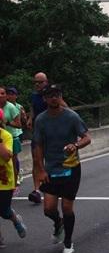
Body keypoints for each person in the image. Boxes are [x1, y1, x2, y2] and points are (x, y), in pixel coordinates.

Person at [33, 84, 91, 253]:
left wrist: (76, 145)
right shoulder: (41, 120)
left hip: (71, 168)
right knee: (48, 209)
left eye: (57, 94)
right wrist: (41, 170)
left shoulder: (72, 116)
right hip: (51, 169)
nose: (54, 98)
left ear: (61, 96)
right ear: (45, 99)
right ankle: (58, 222)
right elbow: (38, 146)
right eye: (50, 95)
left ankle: (68, 241)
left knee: (67, 207)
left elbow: (87, 137)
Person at [27, 72, 67, 204]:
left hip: (52, 134)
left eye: (40, 82)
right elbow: (33, 107)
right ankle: (37, 190)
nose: (37, 85)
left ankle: (57, 185)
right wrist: (30, 118)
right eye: (35, 82)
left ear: (46, 82)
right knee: (36, 160)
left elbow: (65, 108)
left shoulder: (52, 95)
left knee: (53, 159)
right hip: (38, 132)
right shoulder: (34, 96)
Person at [0, 108, 27, 248]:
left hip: (4, 178)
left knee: (4, 211)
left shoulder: (6, 136)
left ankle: (16, 220)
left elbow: (6, 156)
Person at [0, 87, 22, 186]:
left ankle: (14, 182)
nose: (1, 96)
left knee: (11, 162)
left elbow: (19, 124)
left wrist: (7, 122)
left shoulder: (11, 107)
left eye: (3, 93)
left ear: (6, 96)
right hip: (1, 137)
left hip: (12, 137)